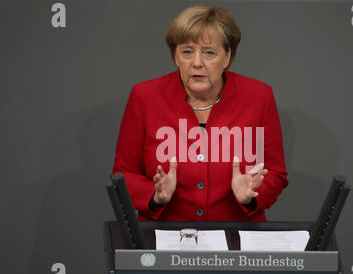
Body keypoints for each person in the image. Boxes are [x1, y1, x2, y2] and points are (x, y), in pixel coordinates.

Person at [112, 4, 288, 221]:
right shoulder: (145, 97)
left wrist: (250, 196)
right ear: (175, 56)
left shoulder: (259, 97)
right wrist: (155, 196)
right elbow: (123, 175)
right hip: (165, 235)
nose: (197, 63)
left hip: (237, 238)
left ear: (227, 56)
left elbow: (275, 174)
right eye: (187, 51)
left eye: (209, 52)